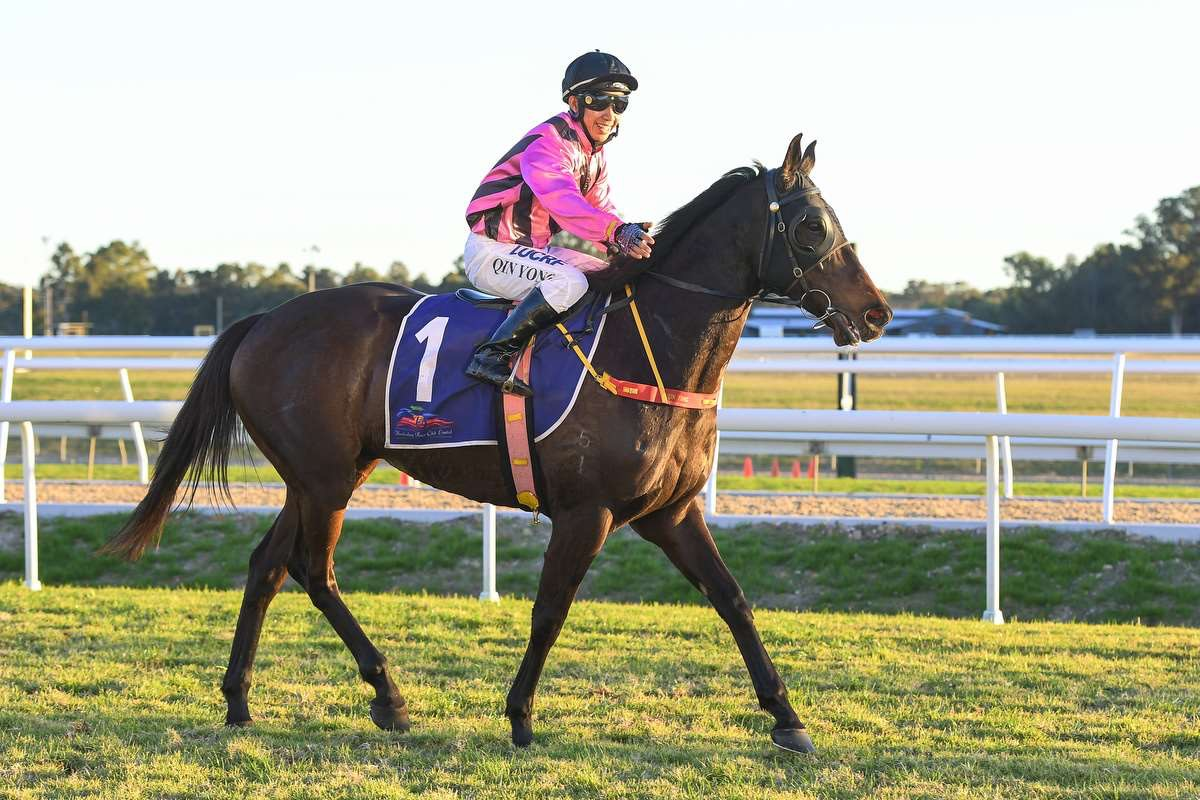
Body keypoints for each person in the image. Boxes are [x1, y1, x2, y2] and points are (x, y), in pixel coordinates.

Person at [462, 50, 654, 397]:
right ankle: (491, 355)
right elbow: (563, 202)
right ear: (575, 102)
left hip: (533, 251)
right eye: (599, 101)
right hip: (492, 251)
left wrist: (624, 242)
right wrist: (615, 232)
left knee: (605, 274)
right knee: (570, 282)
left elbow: (599, 208)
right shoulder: (549, 143)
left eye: (619, 104)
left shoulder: (593, 155)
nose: (609, 114)